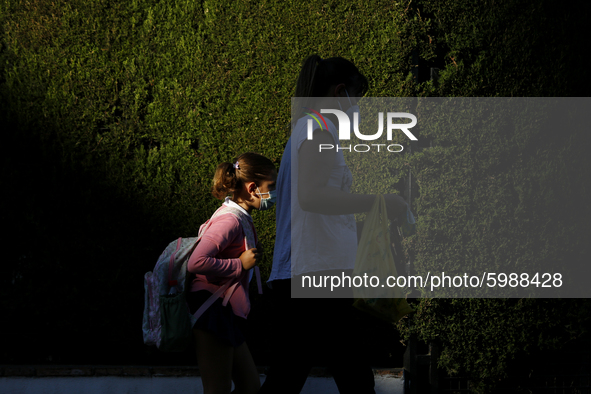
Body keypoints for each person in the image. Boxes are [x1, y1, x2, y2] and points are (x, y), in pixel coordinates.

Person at [259, 55, 408, 394]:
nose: (357, 108)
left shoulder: (307, 129)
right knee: (349, 375)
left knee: (297, 374)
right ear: (341, 91)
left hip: (311, 275)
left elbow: (309, 205)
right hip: (314, 276)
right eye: (356, 99)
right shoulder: (317, 130)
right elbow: (312, 197)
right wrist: (379, 202)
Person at [187, 152, 277, 394]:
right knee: (218, 389)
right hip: (212, 311)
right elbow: (196, 263)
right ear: (252, 187)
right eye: (272, 186)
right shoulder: (230, 220)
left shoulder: (240, 215)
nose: (275, 193)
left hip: (224, 313)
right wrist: (239, 264)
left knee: (249, 386)